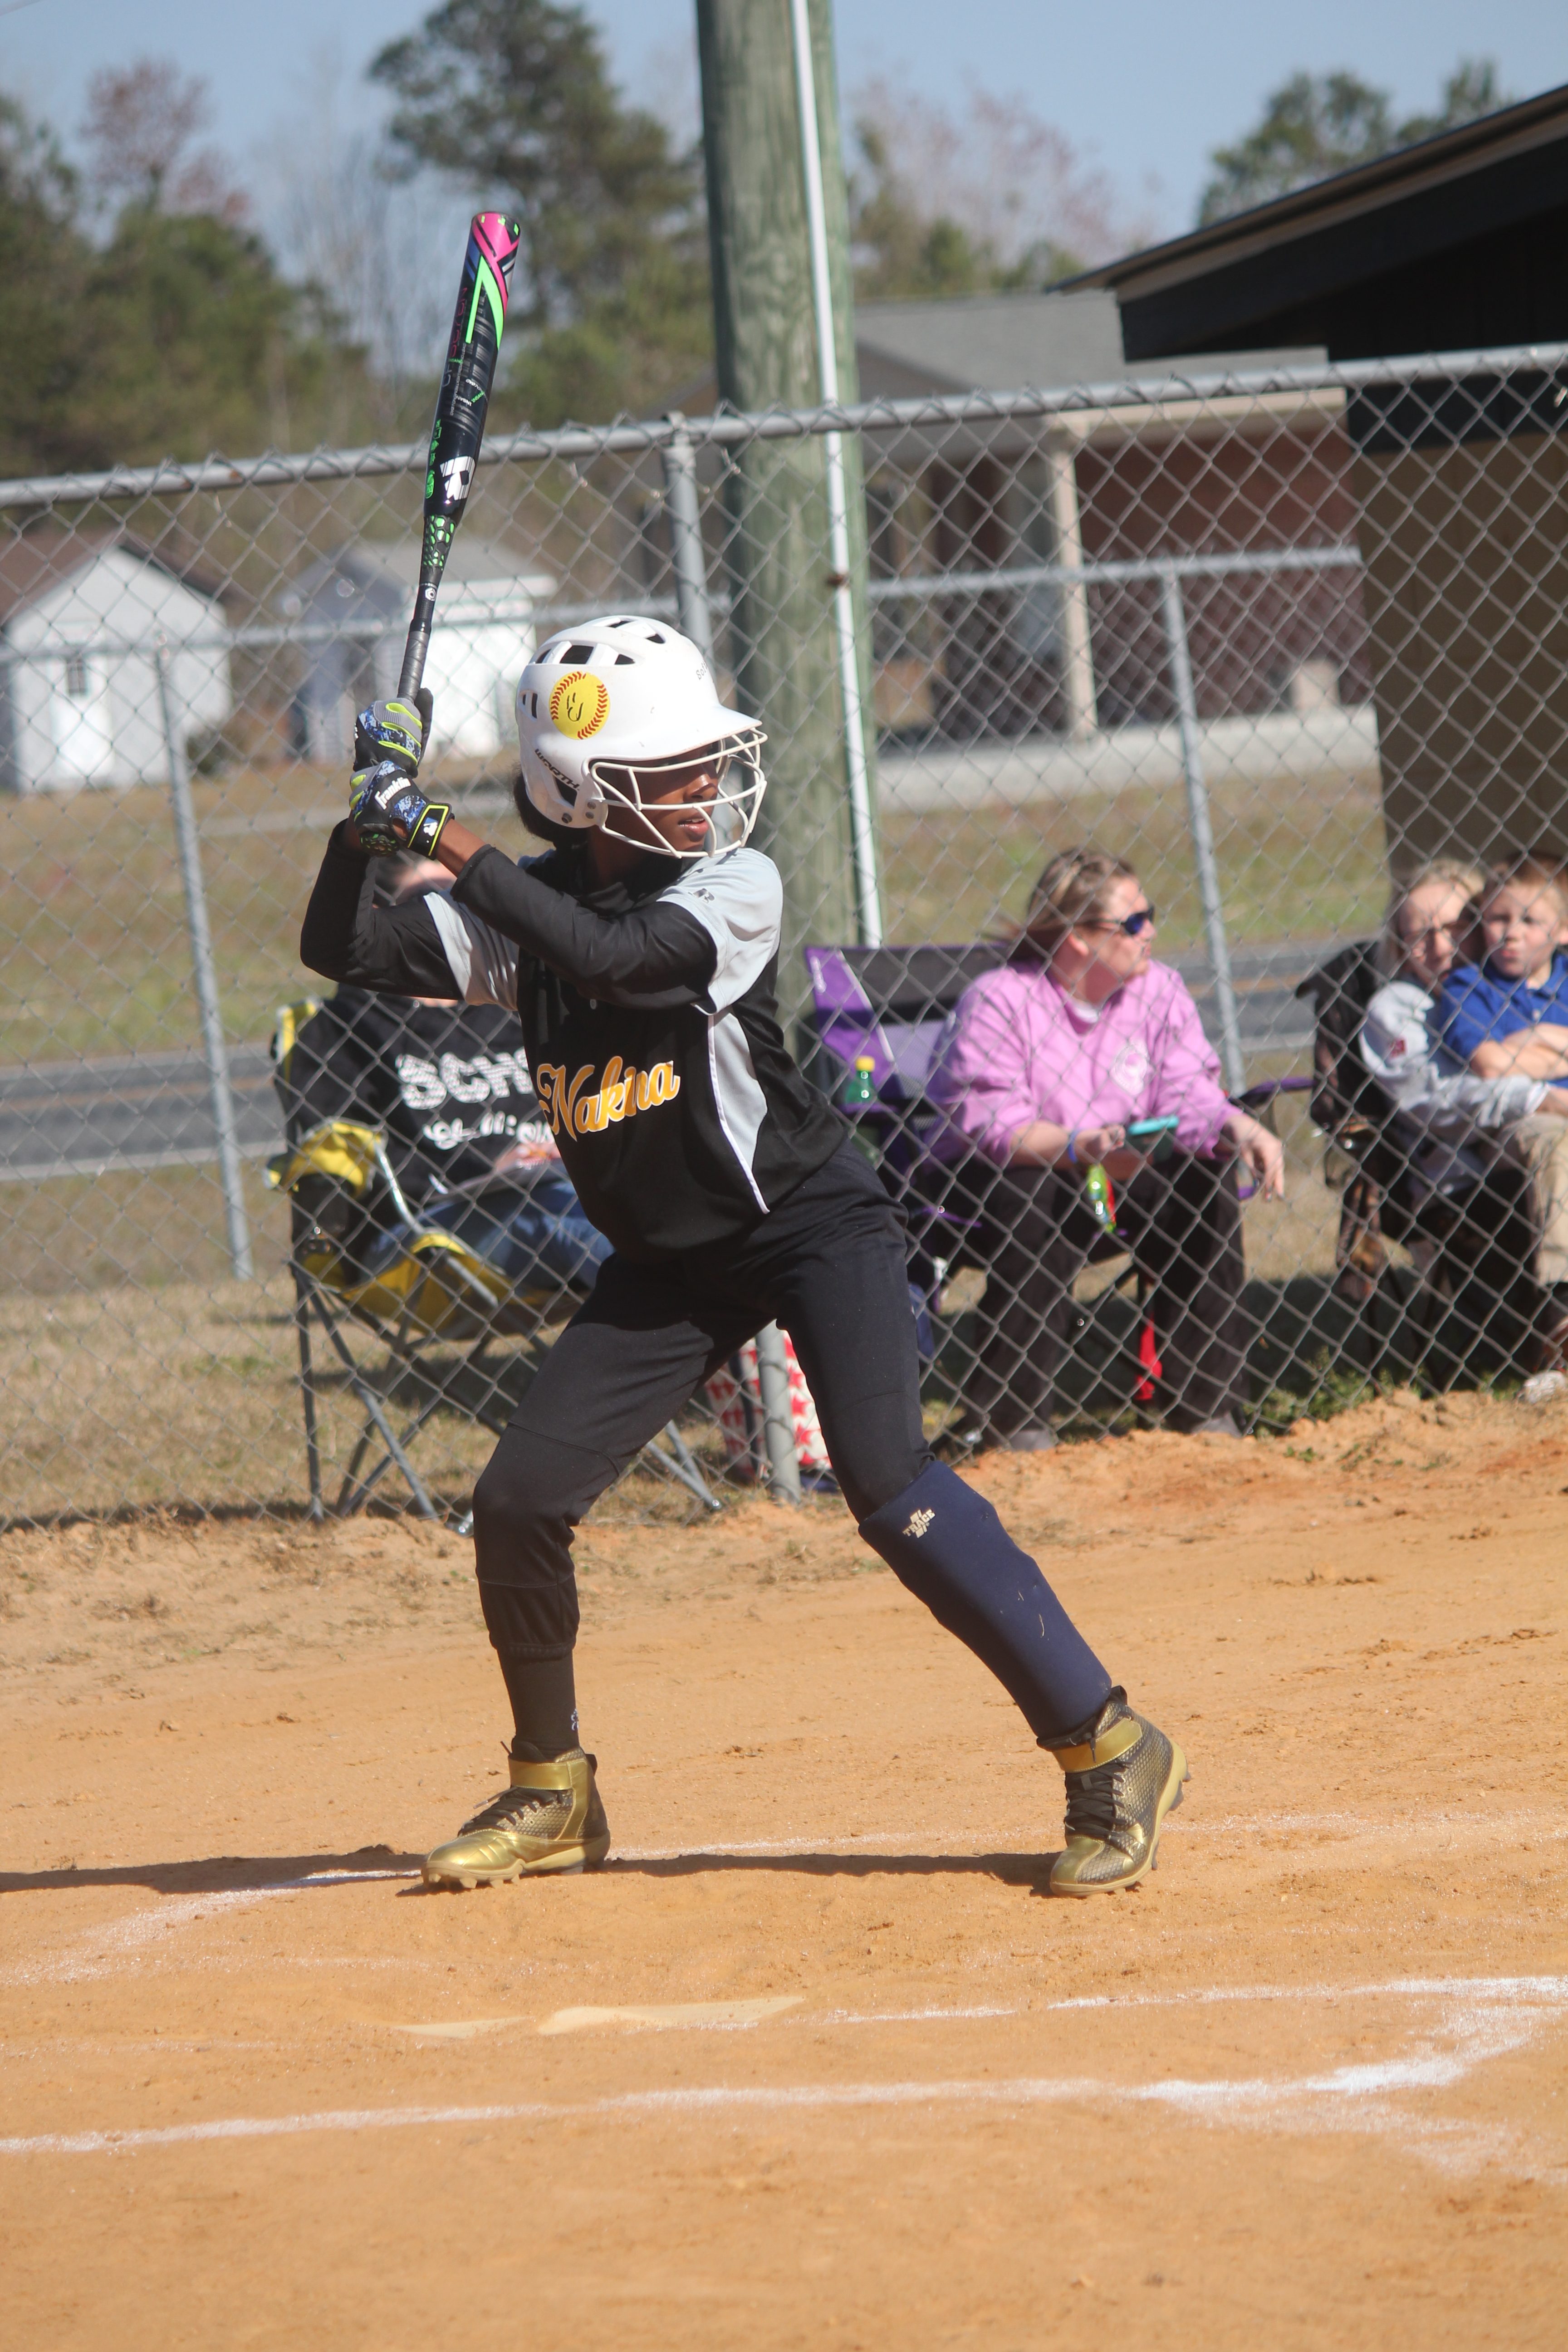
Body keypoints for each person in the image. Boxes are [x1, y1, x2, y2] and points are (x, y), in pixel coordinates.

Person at [300, 623, 1189, 1899]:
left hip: (813, 1224)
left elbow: (618, 961)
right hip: (668, 1267)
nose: (707, 788)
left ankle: (1110, 1744)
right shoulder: (524, 919)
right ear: (579, 795)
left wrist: (441, 837)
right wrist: (361, 835)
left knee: (892, 1489)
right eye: (672, 773)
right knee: (517, 1504)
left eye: (705, 764)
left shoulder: (733, 888)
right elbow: (350, 951)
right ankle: (553, 1789)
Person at [923, 849, 1284, 1448]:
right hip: (1009, 1173)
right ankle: (1015, 1423)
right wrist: (1076, 1147)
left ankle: (1207, 1408)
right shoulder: (1001, 1000)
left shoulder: (1158, 991)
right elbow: (990, 1123)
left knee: (1204, 1175)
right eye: (1135, 923)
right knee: (1033, 1191)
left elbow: (1187, 1089)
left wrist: (1236, 1126)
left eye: (1151, 915)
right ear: (1078, 939)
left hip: (1112, 1170)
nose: (1153, 934)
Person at [280, 856, 608, 1297]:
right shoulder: (345, 1030)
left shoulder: (509, 1005)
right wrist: (489, 1171)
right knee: (583, 1223)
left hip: (564, 1187)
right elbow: (343, 1154)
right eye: (426, 900)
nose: (447, 916)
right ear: (378, 918)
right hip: (426, 1230)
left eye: (463, 899)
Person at [1434, 853, 1568, 1358]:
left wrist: (1524, 1048)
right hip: (1518, 1126)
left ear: (1562, 930)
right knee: (1555, 1141)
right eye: (1498, 917)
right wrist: (1547, 1036)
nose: (1511, 933)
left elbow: (1502, 1054)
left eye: (1530, 920)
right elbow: (1488, 1062)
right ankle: (1561, 1305)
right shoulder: (1470, 987)